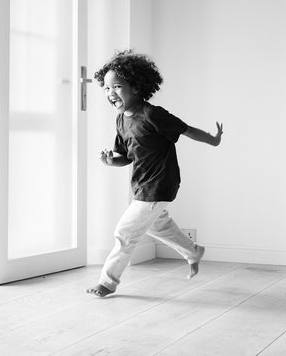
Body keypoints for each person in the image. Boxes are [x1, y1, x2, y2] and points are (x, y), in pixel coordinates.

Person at [86, 50, 223, 298]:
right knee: (158, 226)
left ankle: (107, 282)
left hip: (160, 184)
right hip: (142, 186)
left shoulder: (152, 114)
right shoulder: (121, 120)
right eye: (106, 89)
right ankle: (193, 251)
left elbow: (186, 130)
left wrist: (213, 140)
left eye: (117, 86)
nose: (111, 93)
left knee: (125, 233)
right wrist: (110, 161)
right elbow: (125, 157)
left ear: (137, 86)